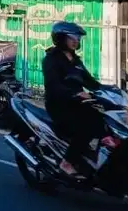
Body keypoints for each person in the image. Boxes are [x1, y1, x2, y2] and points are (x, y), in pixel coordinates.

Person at [43, 21, 104, 178]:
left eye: (77, 38)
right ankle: (67, 162)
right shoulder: (51, 59)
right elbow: (54, 86)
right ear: (61, 38)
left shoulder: (75, 60)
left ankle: (90, 157)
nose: (76, 41)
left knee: (103, 122)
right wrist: (74, 94)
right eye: (72, 37)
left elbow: (90, 82)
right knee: (86, 127)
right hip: (59, 106)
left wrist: (109, 91)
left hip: (78, 104)